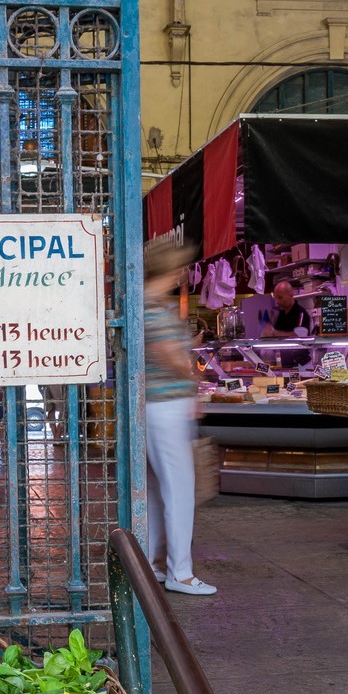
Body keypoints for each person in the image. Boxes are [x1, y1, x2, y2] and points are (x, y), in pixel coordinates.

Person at [143, 243, 216, 597]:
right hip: (167, 406)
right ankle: (181, 573)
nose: (181, 275)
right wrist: (194, 379)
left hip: (154, 405)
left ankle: (152, 563)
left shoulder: (143, 303)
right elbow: (170, 357)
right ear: (168, 271)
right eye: (179, 269)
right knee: (179, 490)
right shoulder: (154, 308)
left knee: (158, 492)